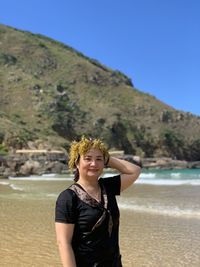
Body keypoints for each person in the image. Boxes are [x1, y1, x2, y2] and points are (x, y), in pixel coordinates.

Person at [55, 136, 141, 267]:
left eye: (98, 159)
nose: (94, 164)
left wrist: (106, 156)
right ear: (77, 163)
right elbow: (63, 242)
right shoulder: (68, 198)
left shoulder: (108, 187)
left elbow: (134, 171)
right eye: (88, 159)